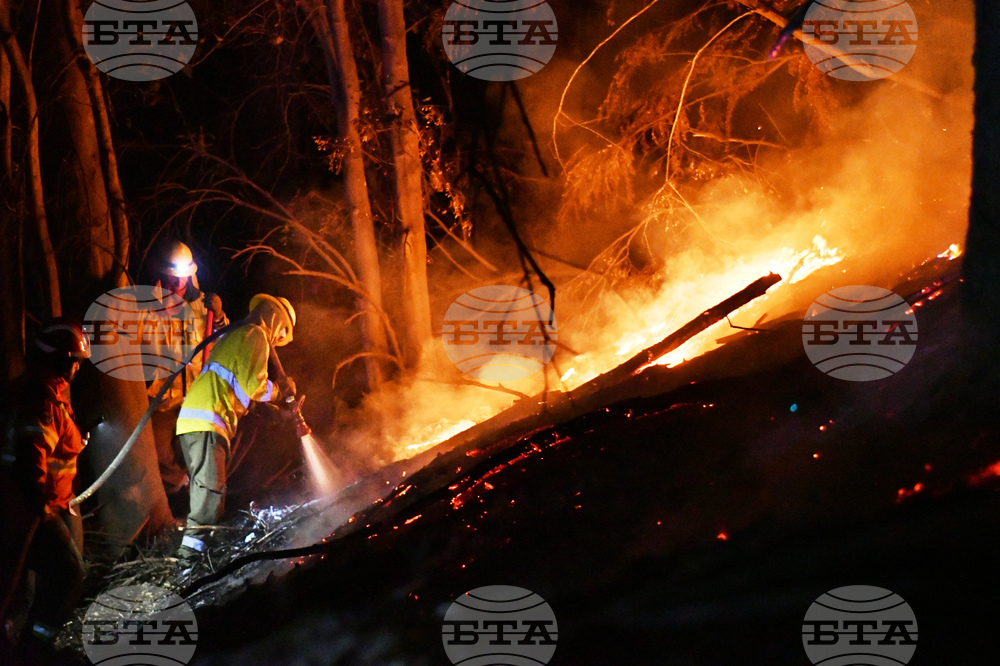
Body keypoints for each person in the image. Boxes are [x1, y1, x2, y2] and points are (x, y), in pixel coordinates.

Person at [174, 294, 297, 561]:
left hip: (197, 418)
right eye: (281, 334)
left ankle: (199, 551)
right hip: (209, 418)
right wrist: (280, 391)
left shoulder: (236, 334)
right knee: (210, 494)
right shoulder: (256, 335)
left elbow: (240, 390)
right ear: (278, 323)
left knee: (208, 491)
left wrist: (277, 413)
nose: (277, 340)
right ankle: (188, 561)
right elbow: (254, 385)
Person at [0, 319, 90, 659]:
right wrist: (39, 502)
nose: (78, 368)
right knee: (68, 574)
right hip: (29, 508)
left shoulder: (40, 389)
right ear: (61, 360)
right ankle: (35, 652)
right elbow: (31, 452)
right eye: (75, 361)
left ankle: (24, 647)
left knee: (24, 585)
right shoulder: (42, 398)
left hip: (31, 505)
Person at [146, 240, 227, 514]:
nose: (178, 281)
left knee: (198, 451)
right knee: (159, 453)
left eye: (183, 275)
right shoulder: (146, 305)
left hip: (193, 395)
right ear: (162, 273)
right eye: (173, 275)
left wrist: (219, 315)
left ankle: (202, 502)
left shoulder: (202, 305)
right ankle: (176, 496)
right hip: (161, 399)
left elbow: (222, 340)